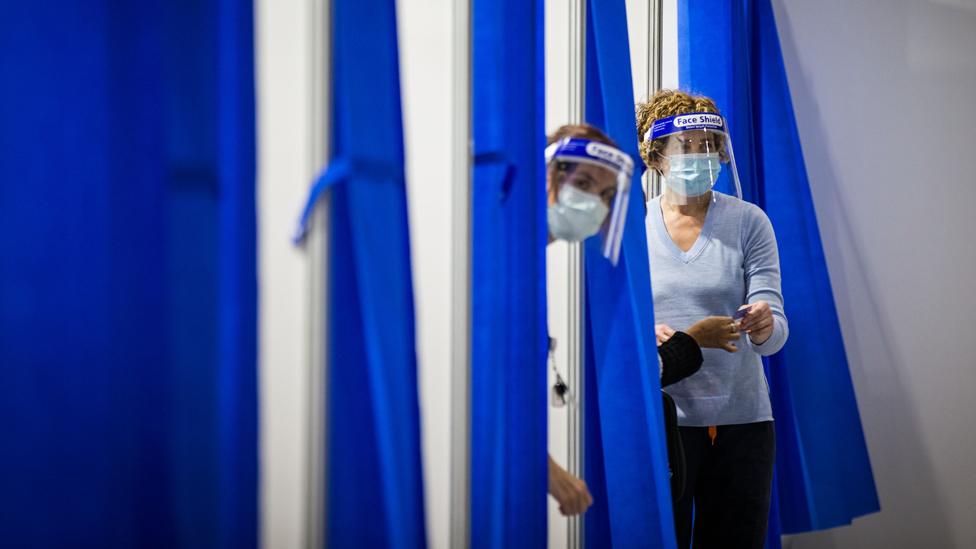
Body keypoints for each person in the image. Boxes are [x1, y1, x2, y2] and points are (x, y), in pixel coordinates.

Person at [542, 123, 741, 516]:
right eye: (582, 183)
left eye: (605, 194)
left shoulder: (743, 221)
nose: (593, 203)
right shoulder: (503, 261)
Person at [636, 89, 789, 548]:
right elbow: (620, 327)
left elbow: (774, 333)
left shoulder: (749, 221)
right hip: (664, 423)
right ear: (657, 156)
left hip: (742, 423)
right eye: (688, 146)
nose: (702, 155)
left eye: (709, 144)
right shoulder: (633, 228)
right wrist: (650, 335)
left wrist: (765, 324)